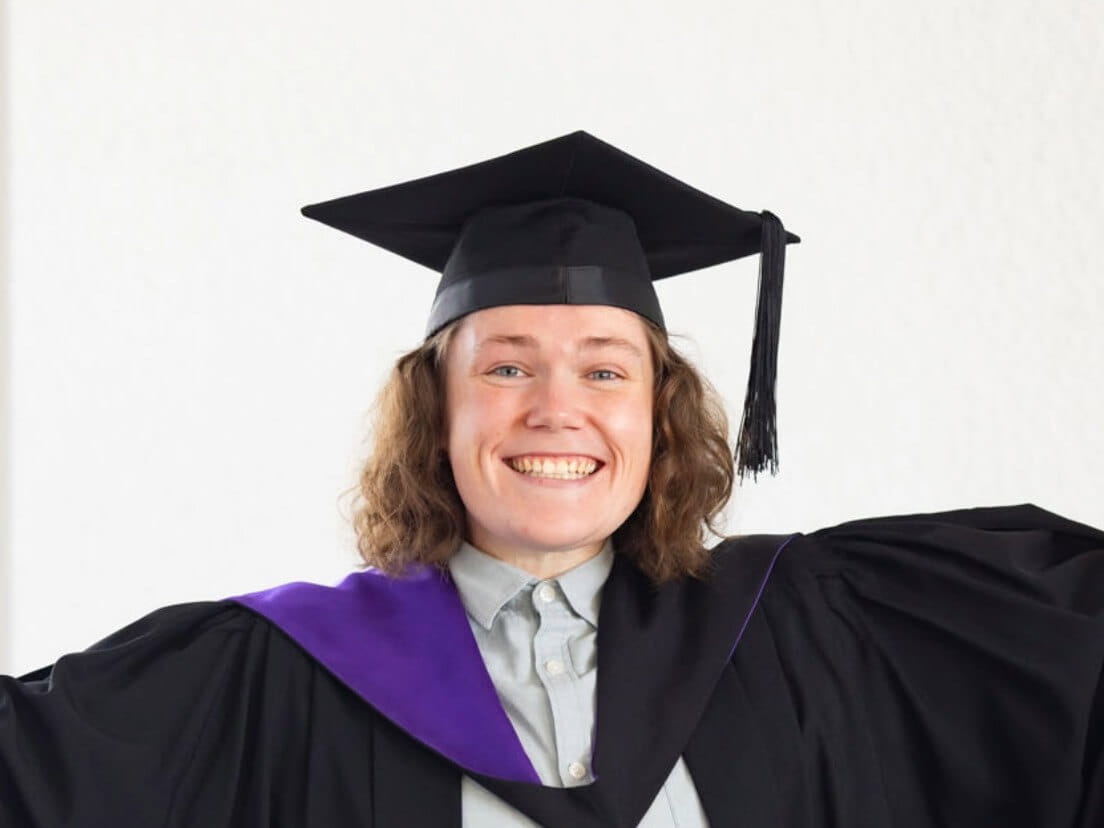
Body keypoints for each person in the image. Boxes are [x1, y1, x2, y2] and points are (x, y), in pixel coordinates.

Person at [1, 130, 1102, 827]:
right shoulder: (278, 677)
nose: (554, 409)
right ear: (438, 409)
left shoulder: (815, 626)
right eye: (508, 365)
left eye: (604, 369)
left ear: (655, 414)